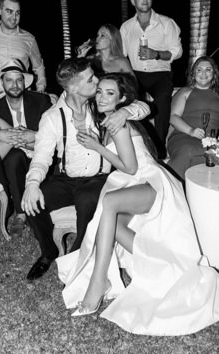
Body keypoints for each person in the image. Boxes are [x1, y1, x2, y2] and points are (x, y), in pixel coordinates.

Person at [57, 72, 219, 336]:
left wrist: (100, 149)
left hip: (149, 182)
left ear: (122, 99)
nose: (102, 97)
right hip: (136, 180)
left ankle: (98, 285)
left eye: (110, 93)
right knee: (111, 228)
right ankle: (158, 264)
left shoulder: (119, 122)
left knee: (108, 203)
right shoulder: (108, 119)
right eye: (100, 91)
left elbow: (131, 167)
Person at [21, 57, 150, 281]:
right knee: (34, 202)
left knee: (88, 199)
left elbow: (145, 106)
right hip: (66, 179)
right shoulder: (52, 118)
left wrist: (125, 112)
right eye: (91, 79)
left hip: (99, 178)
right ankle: (48, 251)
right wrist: (31, 185)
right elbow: (41, 158)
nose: (97, 80)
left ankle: (78, 261)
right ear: (73, 87)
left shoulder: (99, 104)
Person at [0, 58, 52, 235]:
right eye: (9, 80)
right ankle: (21, 215)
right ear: (2, 83)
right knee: (13, 158)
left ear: (24, 82)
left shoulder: (41, 101)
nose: (14, 85)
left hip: (39, 152)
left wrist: (33, 136)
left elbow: (56, 131)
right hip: (13, 157)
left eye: (18, 79)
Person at [120, 0, 183, 159]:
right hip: (135, 73)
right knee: (130, 100)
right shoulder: (126, 27)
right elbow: (120, 54)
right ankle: (136, 148)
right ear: (133, 1)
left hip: (159, 73)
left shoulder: (167, 23)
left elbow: (177, 51)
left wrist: (157, 54)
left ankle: (160, 150)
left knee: (162, 98)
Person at [167, 55, 219, 181]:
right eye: (199, 70)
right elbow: (173, 117)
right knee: (188, 150)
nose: (203, 73)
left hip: (211, 142)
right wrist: (191, 131)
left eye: (208, 69)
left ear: (214, 73)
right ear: (193, 73)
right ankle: (169, 186)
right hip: (184, 136)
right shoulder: (185, 92)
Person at [0, 0, 46, 101]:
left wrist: (40, 90)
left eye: (17, 13)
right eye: (9, 11)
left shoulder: (29, 38)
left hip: (22, 97)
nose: (14, 18)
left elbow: (39, 67)